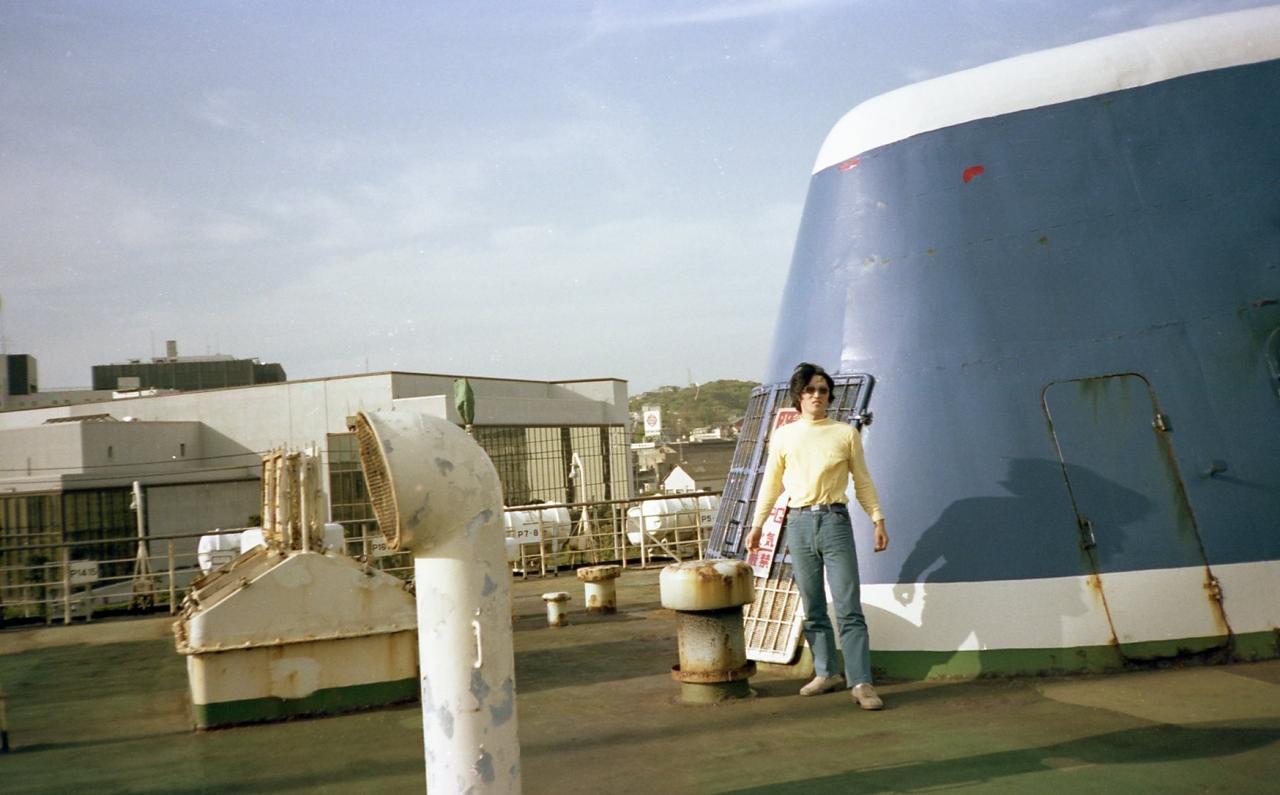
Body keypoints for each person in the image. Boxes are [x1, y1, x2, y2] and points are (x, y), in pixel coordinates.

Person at [745, 361, 889, 710]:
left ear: (829, 396)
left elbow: (862, 480)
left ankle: (861, 682)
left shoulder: (845, 433)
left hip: (834, 521)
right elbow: (771, 484)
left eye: (823, 390)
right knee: (812, 606)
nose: (817, 395)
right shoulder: (784, 436)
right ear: (799, 395)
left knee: (848, 606)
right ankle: (826, 672)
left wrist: (877, 519)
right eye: (810, 389)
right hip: (798, 523)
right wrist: (757, 525)